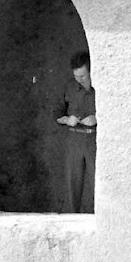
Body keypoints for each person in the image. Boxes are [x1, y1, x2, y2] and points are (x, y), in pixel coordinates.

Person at [55, 50, 96, 213]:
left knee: (98, 183)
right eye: (77, 77)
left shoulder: (101, 86)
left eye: (83, 77)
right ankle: (72, 217)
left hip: (95, 140)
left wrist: (98, 118)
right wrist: (67, 120)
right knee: (73, 183)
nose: (80, 80)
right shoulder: (70, 87)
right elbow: (57, 115)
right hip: (74, 139)